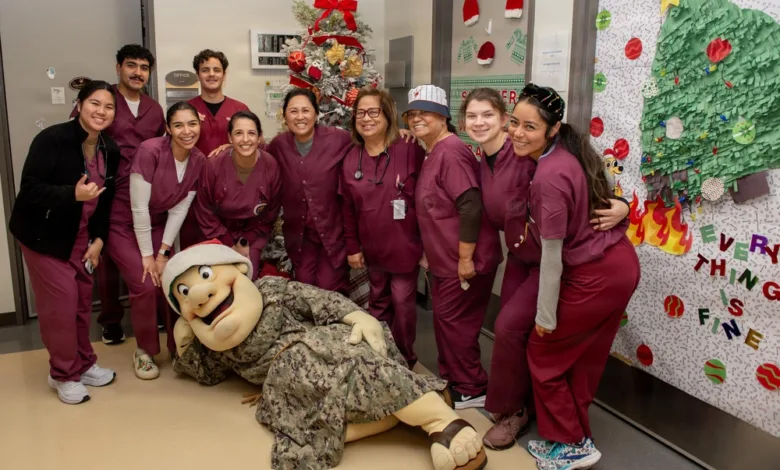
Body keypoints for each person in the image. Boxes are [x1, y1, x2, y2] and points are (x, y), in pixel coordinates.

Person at [459, 88, 630, 449]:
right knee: (511, 332)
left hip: (550, 262)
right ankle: (520, 405)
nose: (479, 123)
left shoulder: (530, 154)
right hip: (521, 256)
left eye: (487, 115)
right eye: (471, 116)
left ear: (501, 118)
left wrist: (621, 204)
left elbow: (591, 174)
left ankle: (517, 413)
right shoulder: (479, 161)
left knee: (512, 328)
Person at [514, 84, 640, 469]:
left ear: (552, 129)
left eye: (529, 127)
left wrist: (545, 316)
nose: (518, 132)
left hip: (595, 275)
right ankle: (575, 436)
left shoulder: (548, 177)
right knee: (585, 357)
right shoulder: (570, 153)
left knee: (542, 353)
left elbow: (552, 257)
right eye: (514, 123)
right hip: (620, 264)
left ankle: (572, 444)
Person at [9, 81, 121, 404]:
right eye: (94, 103)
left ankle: (83, 364)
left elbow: (105, 200)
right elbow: (30, 190)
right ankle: (63, 373)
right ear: (79, 105)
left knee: (83, 302)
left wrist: (99, 239)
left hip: (82, 237)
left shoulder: (110, 149)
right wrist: (72, 193)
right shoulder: (52, 140)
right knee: (61, 307)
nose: (101, 111)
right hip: (45, 237)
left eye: (109, 107)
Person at [406, 84, 502, 409]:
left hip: (466, 260)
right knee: (446, 323)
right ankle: (454, 381)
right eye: (412, 114)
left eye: (425, 112)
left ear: (443, 116)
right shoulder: (432, 151)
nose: (417, 119)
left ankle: (472, 387)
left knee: (456, 325)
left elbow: (470, 206)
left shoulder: (451, 152)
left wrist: (465, 259)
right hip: (444, 260)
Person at [69, 44, 166, 345]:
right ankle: (110, 320)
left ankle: (154, 312)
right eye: (131, 65)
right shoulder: (103, 99)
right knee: (107, 260)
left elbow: (161, 148)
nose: (137, 72)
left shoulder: (154, 109)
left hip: (145, 193)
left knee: (147, 258)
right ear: (118, 68)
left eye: (144, 68)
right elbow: (76, 136)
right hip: (106, 191)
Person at [103, 101, 205, 379]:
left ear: (200, 125)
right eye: (178, 125)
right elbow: (138, 208)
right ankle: (145, 351)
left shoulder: (198, 160)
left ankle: (176, 346)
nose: (187, 131)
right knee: (146, 283)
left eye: (192, 124)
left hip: (158, 223)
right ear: (168, 129)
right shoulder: (150, 151)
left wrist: (163, 254)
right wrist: (148, 256)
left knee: (170, 278)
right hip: (124, 224)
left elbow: (180, 209)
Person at [340, 87, 426, 368]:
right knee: (378, 302)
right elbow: (347, 208)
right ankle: (380, 357)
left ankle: (404, 359)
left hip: (405, 247)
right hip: (372, 249)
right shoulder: (351, 158)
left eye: (374, 112)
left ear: (388, 115)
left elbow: (427, 197)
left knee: (402, 303)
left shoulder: (409, 148)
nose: (366, 118)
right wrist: (352, 247)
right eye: (360, 113)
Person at [266, 89, 353, 295]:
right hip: (300, 238)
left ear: (316, 114)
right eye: (293, 111)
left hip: (333, 234)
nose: (300, 117)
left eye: (305, 110)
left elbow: (370, 142)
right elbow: (256, 158)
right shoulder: (278, 145)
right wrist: (228, 148)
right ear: (284, 116)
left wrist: (400, 135)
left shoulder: (339, 138)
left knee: (328, 289)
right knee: (304, 289)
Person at [194, 110, 282, 279]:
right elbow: (204, 209)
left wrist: (245, 241)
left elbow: (271, 211)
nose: (245, 139)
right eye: (239, 133)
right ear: (230, 137)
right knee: (218, 280)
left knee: (247, 276)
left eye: (251, 133)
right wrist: (228, 242)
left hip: (254, 234)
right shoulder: (213, 165)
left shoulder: (271, 166)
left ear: (260, 137)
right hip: (217, 233)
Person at [180, 50, 252, 249]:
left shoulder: (239, 109)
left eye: (216, 70)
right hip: (193, 194)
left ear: (224, 75)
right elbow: (172, 146)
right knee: (195, 256)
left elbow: (256, 144)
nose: (211, 74)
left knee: (229, 251)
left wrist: (234, 145)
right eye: (205, 70)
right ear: (197, 75)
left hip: (232, 194)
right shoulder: (186, 110)